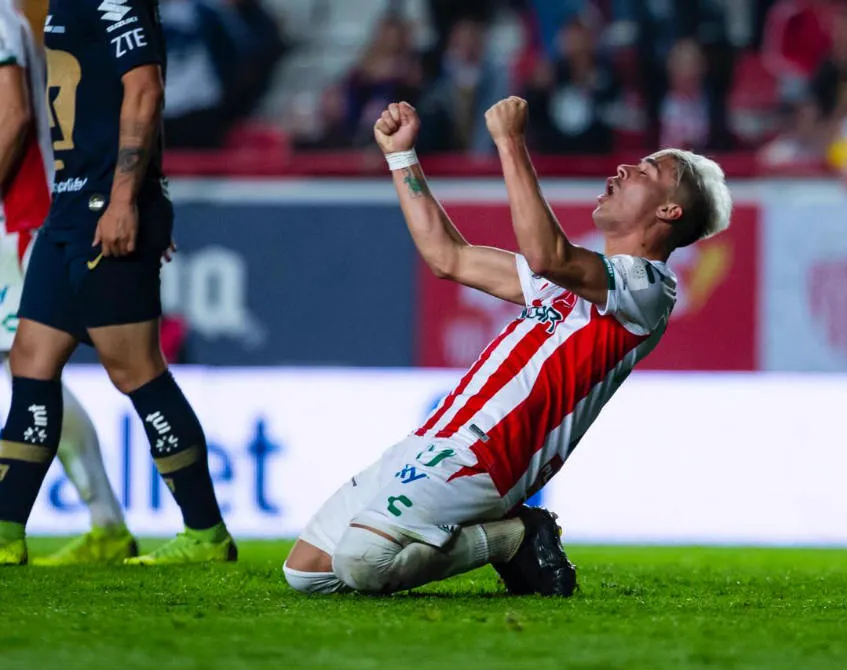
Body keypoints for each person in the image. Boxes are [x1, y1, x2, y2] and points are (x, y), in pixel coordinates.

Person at [282, 97, 732, 596]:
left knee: (363, 562)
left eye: (646, 171)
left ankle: (509, 539)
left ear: (670, 211)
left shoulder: (649, 288)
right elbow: (448, 257)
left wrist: (511, 141)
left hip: (490, 456)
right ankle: (503, 535)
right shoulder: (568, 277)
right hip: (434, 439)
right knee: (308, 573)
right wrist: (401, 156)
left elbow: (546, 254)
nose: (625, 167)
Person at [0, 0, 235, 566]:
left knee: (137, 372)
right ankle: (6, 533)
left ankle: (205, 533)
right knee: (31, 362)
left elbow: (146, 89)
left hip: (104, 206)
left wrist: (131, 200)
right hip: (69, 208)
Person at [0, 0, 140, 566]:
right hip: (22, 214)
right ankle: (105, 520)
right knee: (27, 367)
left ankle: (102, 520)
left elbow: (12, 116)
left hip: (20, 216)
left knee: (30, 364)